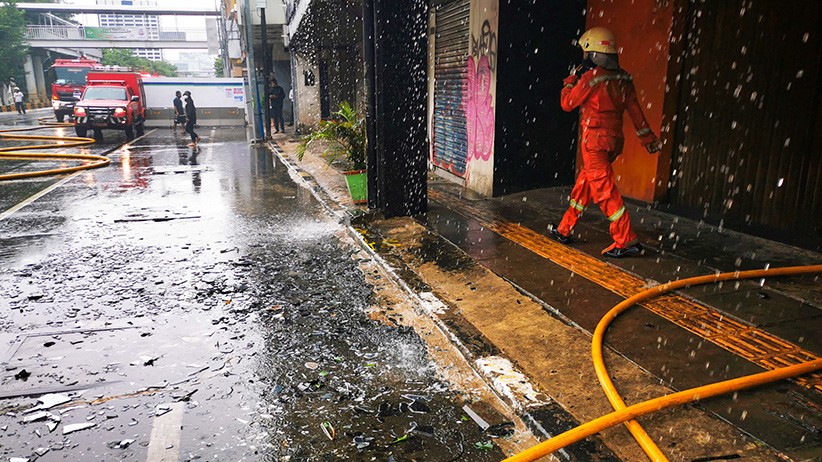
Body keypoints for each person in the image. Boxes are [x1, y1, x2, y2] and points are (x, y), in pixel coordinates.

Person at [549, 27, 662, 258]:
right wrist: (648, 139)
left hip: (594, 143)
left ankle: (626, 239)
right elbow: (636, 112)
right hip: (613, 143)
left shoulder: (591, 79)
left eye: (587, 53)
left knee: (605, 192)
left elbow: (567, 104)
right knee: (586, 184)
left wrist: (571, 80)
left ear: (593, 54)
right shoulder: (623, 79)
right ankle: (564, 229)